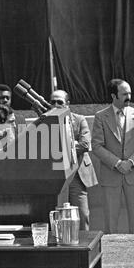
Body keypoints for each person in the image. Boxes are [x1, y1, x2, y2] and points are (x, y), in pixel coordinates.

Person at [91, 79, 134, 234]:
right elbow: (96, 146)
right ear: (113, 96)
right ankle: (111, 255)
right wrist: (117, 163)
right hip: (111, 176)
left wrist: (131, 162)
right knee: (111, 223)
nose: (129, 96)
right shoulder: (100, 117)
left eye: (129, 93)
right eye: (124, 94)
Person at [50, 90, 98, 230]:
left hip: (77, 174)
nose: (56, 105)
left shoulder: (79, 119)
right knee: (57, 216)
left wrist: (59, 149)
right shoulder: (45, 121)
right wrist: (71, 143)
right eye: (53, 102)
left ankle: (84, 246)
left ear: (68, 104)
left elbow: (84, 145)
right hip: (56, 175)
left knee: (82, 214)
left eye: (60, 102)